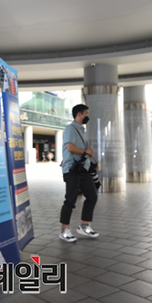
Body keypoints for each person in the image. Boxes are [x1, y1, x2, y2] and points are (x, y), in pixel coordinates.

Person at [59, 104, 99, 243]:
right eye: (86, 113)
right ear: (79, 114)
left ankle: (84, 225)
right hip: (72, 170)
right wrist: (85, 151)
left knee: (92, 196)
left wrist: (87, 152)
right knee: (70, 200)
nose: (87, 116)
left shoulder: (82, 130)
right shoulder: (71, 128)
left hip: (83, 169)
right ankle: (64, 230)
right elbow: (70, 147)